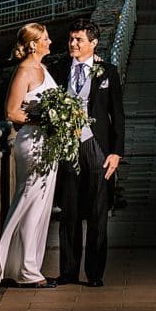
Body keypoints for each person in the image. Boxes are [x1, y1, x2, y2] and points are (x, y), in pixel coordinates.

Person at [51, 18, 125, 287]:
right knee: (68, 210)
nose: (72, 44)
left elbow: (118, 115)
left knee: (97, 212)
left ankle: (95, 274)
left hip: (97, 146)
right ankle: (68, 272)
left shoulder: (108, 72)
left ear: (93, 43)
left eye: (78, 40)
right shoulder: (58, 69)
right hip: (67, 147)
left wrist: (116, 152)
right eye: (71, 39)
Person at [0, 23, 58, 288]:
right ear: (33, 44)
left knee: (40, 205)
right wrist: (41, 118)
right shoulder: (24, 71)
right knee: (28, 201)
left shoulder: (41, 68)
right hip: (33, 143)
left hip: (47, 143)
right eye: (45, 38)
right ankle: (22, 269)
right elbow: (11, 112)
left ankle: (24, 266)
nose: (50, 42)